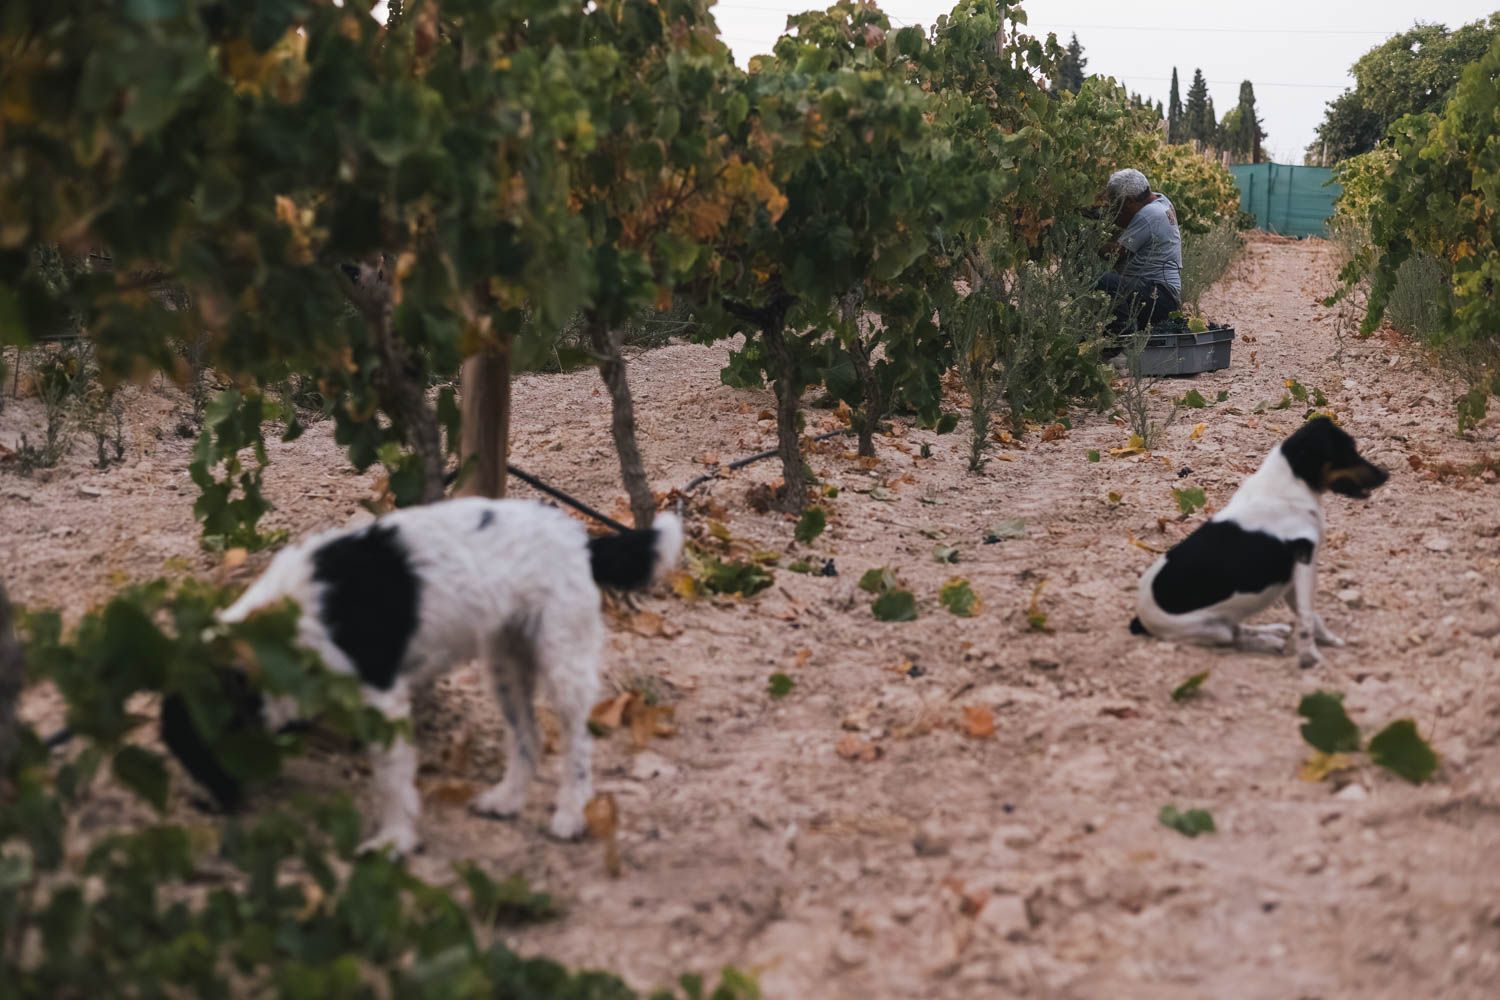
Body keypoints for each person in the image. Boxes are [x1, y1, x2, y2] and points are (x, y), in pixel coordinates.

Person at [1095, 168, 1182, 332]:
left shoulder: (1147, 215)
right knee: (1114, 284)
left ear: (1129, 201)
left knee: (1104, 281)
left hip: (1157, 298)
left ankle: (1121, 343)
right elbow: (1128, 222)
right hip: (1165, 295)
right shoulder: (1161, 201)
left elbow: (1115, 254)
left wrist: (1092, 243)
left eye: (1117, 205)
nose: (1115, 211)